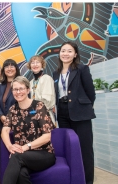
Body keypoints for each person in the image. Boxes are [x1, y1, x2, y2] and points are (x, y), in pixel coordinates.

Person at [53, 41, 96, 184]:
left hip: (80, 112)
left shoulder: (82, 69)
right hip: (63, 112)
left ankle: (87, 181)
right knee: (69, 146)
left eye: (69, 51)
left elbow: (91, 93)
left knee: (85, 149)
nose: (65, 53)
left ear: (75, 54)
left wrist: (83, 107)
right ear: (59, 53)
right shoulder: (55, 73)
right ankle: (72, 179)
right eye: (63, 50)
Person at [1, 76, 56, 184]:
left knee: (16, 157)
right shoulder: (13, 109)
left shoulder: (39, 106)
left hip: (44, 154)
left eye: (21, 88)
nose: (18, 92)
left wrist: (24, 147)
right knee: (21, 173)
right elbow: (5, 131)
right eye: (15, 89)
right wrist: (10, 146)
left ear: (28, 89)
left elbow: (47, 136)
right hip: (23, 155)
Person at [27, 55, 56, 126]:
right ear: (30, 66)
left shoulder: (47, 78)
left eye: (38, 62)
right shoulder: (30, 82)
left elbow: (47, 100)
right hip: (33, 117)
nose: (35, 65)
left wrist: (37, 110)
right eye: (33, 63)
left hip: (45, 115)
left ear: (42, 65)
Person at [0, 59, 20, 125]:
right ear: (4, 70)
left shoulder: (21, 84)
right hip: (2, 122)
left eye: (12, 66)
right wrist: (1, 115)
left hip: (17, 122)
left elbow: (23, 104)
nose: (9, 69)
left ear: (16, 69)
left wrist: (10, 118)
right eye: (6, 67)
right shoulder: (1, 86)